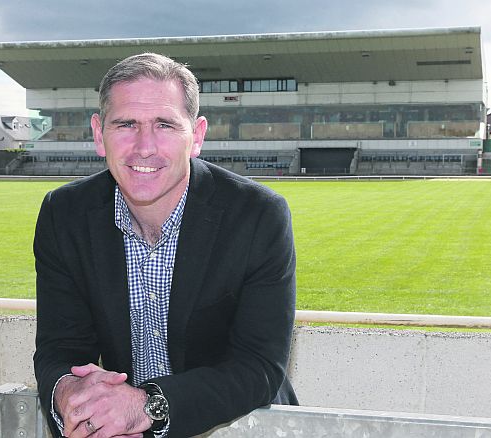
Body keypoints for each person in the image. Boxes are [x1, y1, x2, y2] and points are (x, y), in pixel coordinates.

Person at [33, 52, 297, 438]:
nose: (144, 146)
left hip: (244, 425)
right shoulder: (65, 215)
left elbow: (258, 366)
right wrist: (71, 395)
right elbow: (61, 347)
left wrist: (146, 406)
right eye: (126, 124)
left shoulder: (258, 215)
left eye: (165, 125)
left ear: (198, 135)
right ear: (98, 134)